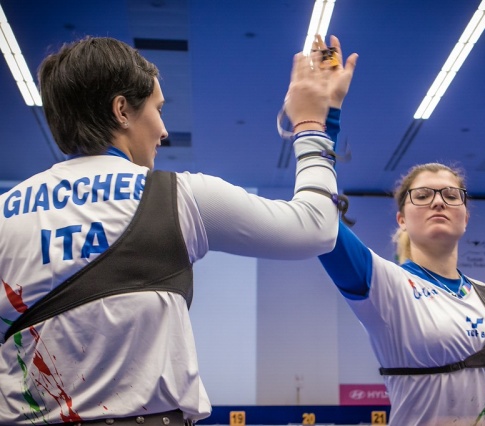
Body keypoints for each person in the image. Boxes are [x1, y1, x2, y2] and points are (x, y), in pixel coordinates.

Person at [0, 35, 357, 425]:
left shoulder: (4, 213)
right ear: (122, 110)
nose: (163, 130)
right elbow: (317, 228)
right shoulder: (176, 196)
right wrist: (315, 122)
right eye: (157, 109)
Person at [319, 163, 485, 426]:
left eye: (450, 195)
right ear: (401, 219)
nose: (438, 202)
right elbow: (318, 221)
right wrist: (314, 131)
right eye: (423, 196)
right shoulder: (388, 283)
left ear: (466, 218)